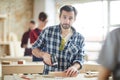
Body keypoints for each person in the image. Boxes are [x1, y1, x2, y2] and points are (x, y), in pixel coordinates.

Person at [32, 5, 85, 77]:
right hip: (49, 77)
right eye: (64, 17)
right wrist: (43, 55)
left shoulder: (80, 38)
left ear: (74, 19)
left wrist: (74, 67)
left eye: (70, 18)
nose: (67, 21)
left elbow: (80, 59)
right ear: (59, 17)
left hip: (68, 77)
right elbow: (34, 49)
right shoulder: (47, 31)